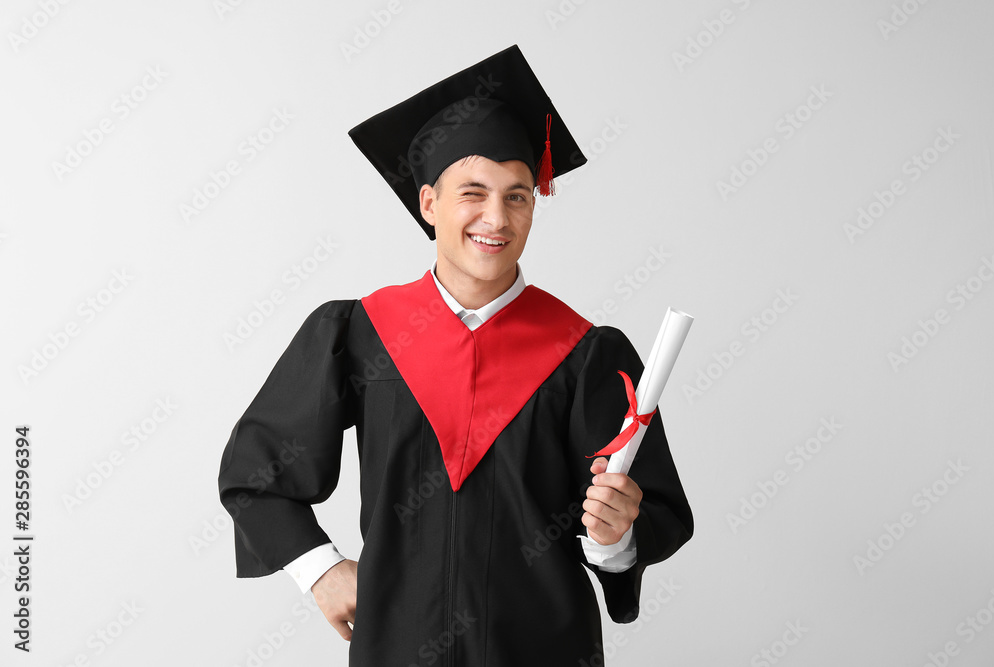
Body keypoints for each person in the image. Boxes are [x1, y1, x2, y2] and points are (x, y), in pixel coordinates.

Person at [218, 44, 693, 666]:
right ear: (428, 204)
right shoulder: (360, 334)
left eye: (518, 195)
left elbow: (645, 519)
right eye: (473, 191)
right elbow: (258, 474)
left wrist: (617, 537)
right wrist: (320, 570)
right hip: (398, 648)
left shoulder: (586, 354)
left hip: (545, 649)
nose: (496, 216)